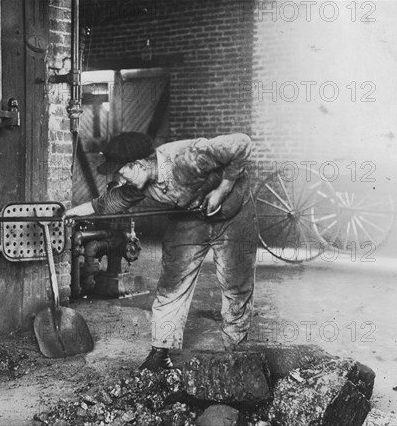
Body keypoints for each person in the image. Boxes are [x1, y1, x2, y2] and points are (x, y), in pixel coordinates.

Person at [66, 132, 258, 371]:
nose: (119, 179)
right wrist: (70, 214)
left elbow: (242, 143)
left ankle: (237, 351)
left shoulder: (189, 157)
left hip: (233, 214)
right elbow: (105, 204)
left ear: (138, 165)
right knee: (172, 283)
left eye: (120, 172)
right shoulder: (138, 184)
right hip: (190, 216)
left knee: (235, 283)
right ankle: (160, 352)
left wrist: (223, 187)